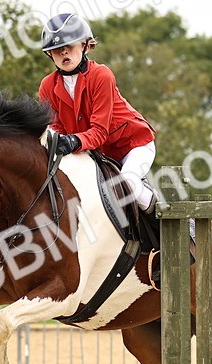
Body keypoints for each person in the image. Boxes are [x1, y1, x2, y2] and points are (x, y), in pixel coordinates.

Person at [37, 13, 158, 220]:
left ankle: (171, 222)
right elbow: (56, 130)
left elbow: (100, 132)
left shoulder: (101, 75)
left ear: (85, 45)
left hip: (131, 145)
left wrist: (72, 141)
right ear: (50, 54)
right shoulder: (47, 86)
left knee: (127, 182)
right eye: (57, 49)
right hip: (95, 154)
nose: (64, 52)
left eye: (70, 46)